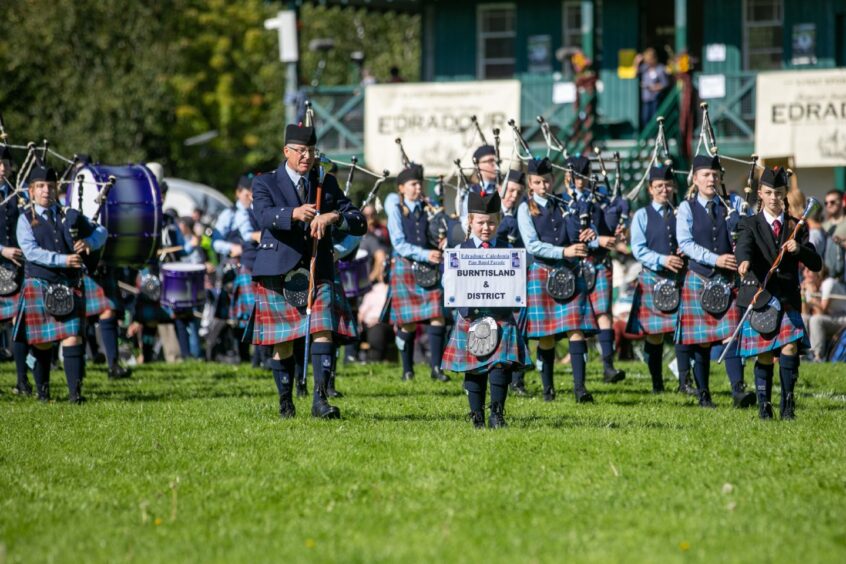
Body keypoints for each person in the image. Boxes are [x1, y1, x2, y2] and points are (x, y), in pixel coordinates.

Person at [250, 123, 365, 419]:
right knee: (283, 340)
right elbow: (262, 215)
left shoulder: (324, 182)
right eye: (301, 151)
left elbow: (358, 220)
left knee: (323, 329)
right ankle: (286, 400)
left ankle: (320, 401)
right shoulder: (266, 182)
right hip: (278, 268)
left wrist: (332, 216)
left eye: (311, 151)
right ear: (286, 151)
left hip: (318, 266)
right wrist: (293, 214)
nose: (307, 156)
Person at [14, 166, 107, 403]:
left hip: (68, 284)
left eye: (51, 186)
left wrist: (89, 242)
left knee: (72, 337)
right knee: (42, 342)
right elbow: (30, 252)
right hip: (39, 283)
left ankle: (75, 395)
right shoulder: (25, 220)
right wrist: (62, 259)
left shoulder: (70, 214)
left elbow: (102, 231)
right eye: (41, 187)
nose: (46, 191)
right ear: (31, 191)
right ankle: (43, 393)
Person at [736, 167, 822, 419]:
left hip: (786, 299)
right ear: (760, 194)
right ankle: (765, 406)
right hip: (762, 297)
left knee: (789, 349)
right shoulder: (749, 223)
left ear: (785, 195)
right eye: (769, 192)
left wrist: (799, 250)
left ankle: (788, 405)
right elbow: (744, 247)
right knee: (763, 353)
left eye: (779, 193)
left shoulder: (797, 226)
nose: (774, 197)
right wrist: (743, 261)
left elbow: (815, 263)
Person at [442, 190, 528, 428]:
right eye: (480, 222)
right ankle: (477, 415)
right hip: (471, 316)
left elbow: (518, 279)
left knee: (501, 364)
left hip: (501, 315)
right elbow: (449, 283)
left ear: (499, 221)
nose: (486, 227)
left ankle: (497, 415)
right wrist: (461, 303)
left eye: (491, 222)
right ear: (470, 221)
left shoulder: (509, 253)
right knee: (475, 367)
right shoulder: (459, 251)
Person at [675, 154, 755, 408]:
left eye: (715, 174)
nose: (711, 178)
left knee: (731, 336)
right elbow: (685, 243)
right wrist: (716, 259)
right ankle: (703, 393)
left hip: (727, 279)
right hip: (699, 277)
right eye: (706, 175)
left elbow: (749, 230)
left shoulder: (734, 202)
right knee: (701, 340)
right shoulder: (686, 207)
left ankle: (738, 390)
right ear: (695, 179)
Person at [517, 157, 599, 403]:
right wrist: (564, 251)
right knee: (546, 336)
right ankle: (547, 390)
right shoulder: (524, 207)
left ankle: (580, 389)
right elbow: (532, 245)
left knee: (577, 330)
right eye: (537, 182)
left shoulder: (567, 203)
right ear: (530, 184)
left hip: (571, 272)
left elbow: (581, 235)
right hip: (543, 272)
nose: (543, 186)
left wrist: (589, 235)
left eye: (546, 181)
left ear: (553, 180)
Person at [626, 164, 695, 394]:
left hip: (679, 279)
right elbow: (637, 249)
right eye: (659, 186)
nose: (664, 190)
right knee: (654, 335)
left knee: (682, 332)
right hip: (653, 278)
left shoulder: (682, 214)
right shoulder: (641, 216)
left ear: (674, 187)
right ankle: (657, 383)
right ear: (650, 189)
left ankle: (685, 383)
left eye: (667, 186)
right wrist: (662, 260)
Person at [386, 163, 450, 383]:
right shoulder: (394, 205)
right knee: (407, 322)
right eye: (413, 184)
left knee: (437, 315)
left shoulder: (428, 206)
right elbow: (398, 243)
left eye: (419, 184)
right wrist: (426, 254)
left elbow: (437, 230)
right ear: (401, 187)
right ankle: (407, 369)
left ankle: (436, 368)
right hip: (405, 266)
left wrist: (441, 239)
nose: (417, 188)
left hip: (428, 267)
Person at [566, 155, 626, 383]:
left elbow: (604, 227)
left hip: (599, 262)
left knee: (603, 314)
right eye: (575, 176)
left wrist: (617, 231)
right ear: (567, 177)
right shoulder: (564, 200)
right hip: (574, 264)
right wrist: (596, 241)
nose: (579, 181)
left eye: (583, 176)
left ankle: (608, 367)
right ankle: (576, 376)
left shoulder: (598, 200)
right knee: (574, 320)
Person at [0, 145, 30, 395]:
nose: (2, 168)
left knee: (19, 324)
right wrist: (2, 250)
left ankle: (22, 380)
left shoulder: (18, 195)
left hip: (17, 268)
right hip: (1, 260)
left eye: (6, 164)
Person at [805, 266, 846, 361]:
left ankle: (817, 356)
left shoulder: (828, 283)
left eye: (808, 271)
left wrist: (812, 295)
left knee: (816, 320)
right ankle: (804, 353)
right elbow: (805, 312)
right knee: (804, 317)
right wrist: (804, 296)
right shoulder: (812, 287)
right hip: (831, 317)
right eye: (804, 271)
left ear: (818, 275)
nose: (805, 274)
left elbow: (821, 311)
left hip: (842, 317)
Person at [635, 48, 669, 127]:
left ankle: (656, 136)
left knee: (656, 118)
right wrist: (637, 62)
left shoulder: (660, 69)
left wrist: (653, 88)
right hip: (646, 98)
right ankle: (648, 137)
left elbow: (665, 84)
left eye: (650, 60)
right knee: (645, 118)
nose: (648, 62)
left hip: (656, 98)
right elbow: (635, 74)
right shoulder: (645, 68)